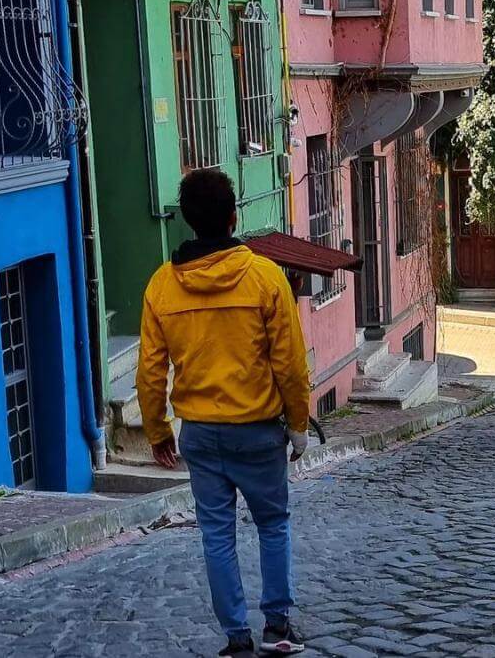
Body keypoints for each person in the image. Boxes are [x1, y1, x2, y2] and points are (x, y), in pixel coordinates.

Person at [137, 168, 310, 657]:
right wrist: (297, 423)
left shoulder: (163, 286)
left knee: (217, 533)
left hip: (201, 435)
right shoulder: (264, 277)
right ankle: (277, 627)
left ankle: (236, 636)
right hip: (257, 430)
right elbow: (290, 363)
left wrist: (157, 429)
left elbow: (151, 369)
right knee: (273, 524)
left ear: (188, 222)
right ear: (234, 216)